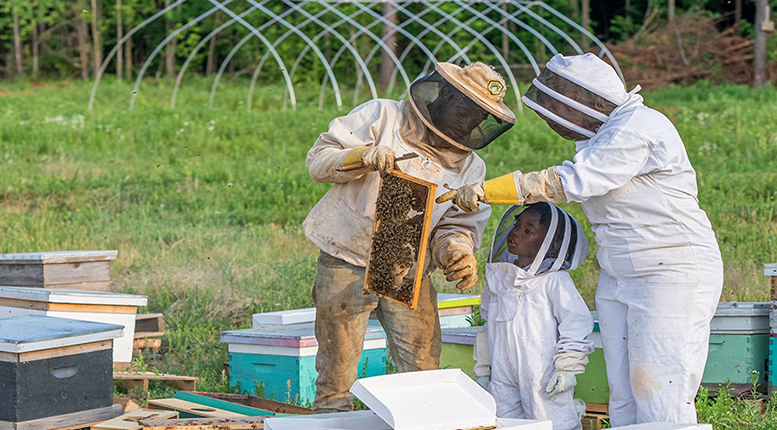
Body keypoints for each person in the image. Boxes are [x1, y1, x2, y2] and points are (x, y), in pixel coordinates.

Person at [439, 53, 723, 425]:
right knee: (623, 390)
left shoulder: (638, 127)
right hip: (619, 272)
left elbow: (573, 181)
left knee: (659, 388)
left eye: (557, 107)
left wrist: (489, 190)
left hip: (671, 270)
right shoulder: (601, 137)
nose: (553, 118)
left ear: (586, 100)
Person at [303, 62, 516, 413]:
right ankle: (331, 418)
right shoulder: (382, 115)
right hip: (349, 256)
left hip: (409, 268)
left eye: (479, 119)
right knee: (336, 370)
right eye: (466, 112)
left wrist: (456, 251)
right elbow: (318, 161)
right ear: (444, 93)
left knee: (423, 366)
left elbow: (457, 226)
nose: (470, 124)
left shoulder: (471, 167)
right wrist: (360, 157)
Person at [473, 203, 593, 430]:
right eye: (517, 225)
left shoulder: (554, 281)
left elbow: (575, 325)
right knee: (502, 423)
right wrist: (484, 369)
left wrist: (567, 367)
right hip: (502, 374)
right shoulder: (501, 279)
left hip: (541, 377)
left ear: (551, 245)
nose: (516, 232)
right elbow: (488, 326)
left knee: (552, 423)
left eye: (528, 230)